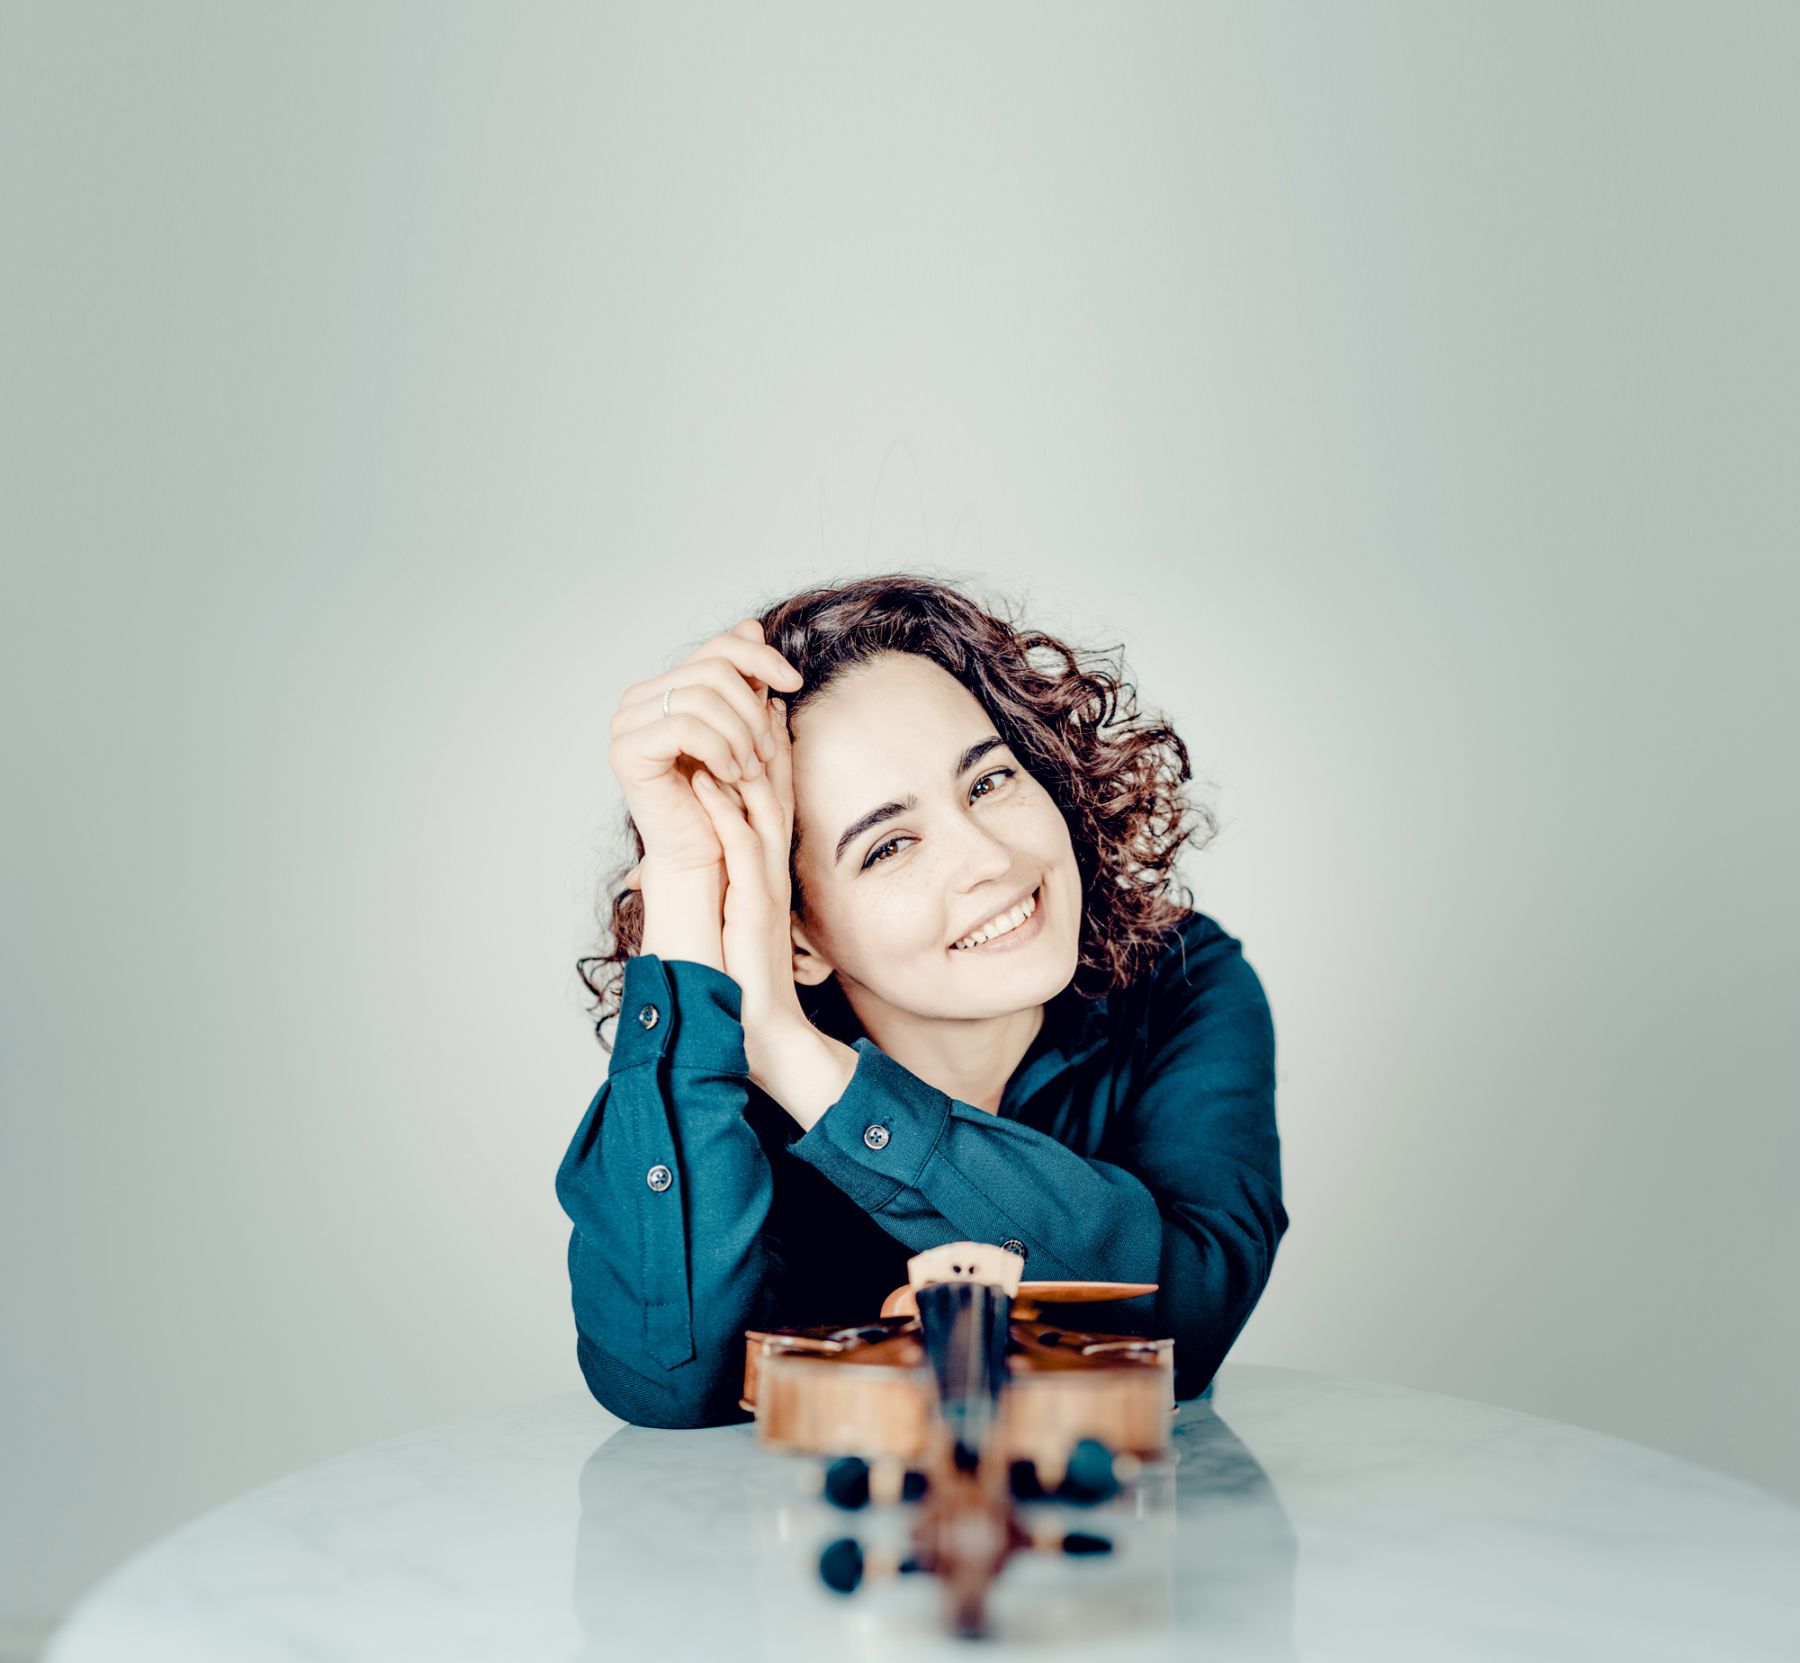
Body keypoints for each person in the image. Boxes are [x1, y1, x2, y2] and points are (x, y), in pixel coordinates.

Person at [556, 572, 1288, 1428]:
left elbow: (1185, 1324)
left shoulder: (1182, 979)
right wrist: (688, 878)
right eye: (889, 845)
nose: (988, 859)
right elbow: (665, 1377)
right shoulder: (728, 1102)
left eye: (988, 781)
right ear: (799, 941)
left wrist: (798, 1057)